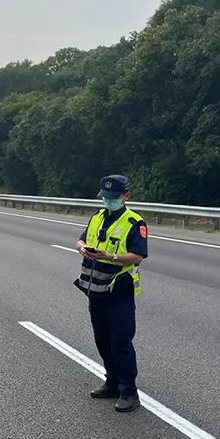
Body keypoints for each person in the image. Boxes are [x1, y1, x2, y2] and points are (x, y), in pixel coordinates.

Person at [74, 175, 148, 413]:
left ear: (126, 196)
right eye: (105, 198)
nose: (108, 202)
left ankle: (129, 392)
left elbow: (137, 256)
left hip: (120, 289)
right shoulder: (97, 218)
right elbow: (81, 240)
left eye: (113, 198)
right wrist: (83, 248)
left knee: (120, 342)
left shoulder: (135, 223)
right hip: (96, 288)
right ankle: (112, 383)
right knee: (102, 339)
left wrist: (110, 257)